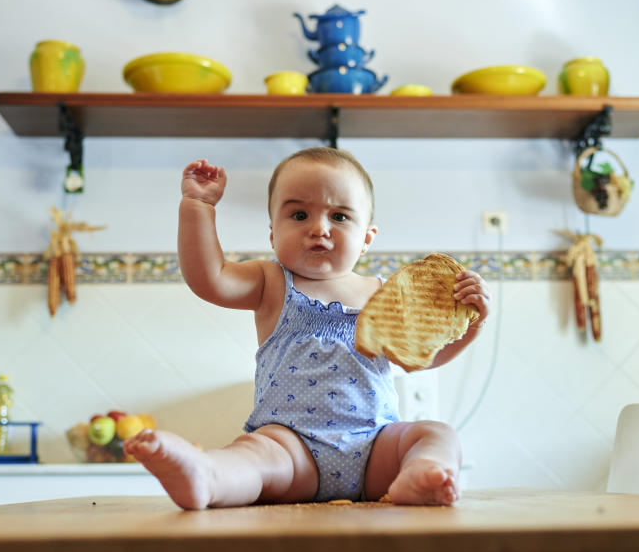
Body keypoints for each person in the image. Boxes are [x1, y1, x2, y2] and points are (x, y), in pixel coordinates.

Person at [124, 147, 490, 509]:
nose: (319, 229)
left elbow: (420, 358)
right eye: (299, 214)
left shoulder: (385, 294)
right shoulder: (271, 281)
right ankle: (207, 475)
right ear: (272, 234)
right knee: (253, 455)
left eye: (340, 217)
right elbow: (210, 279)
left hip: (375, 448)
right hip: (291, 447)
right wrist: (198, 208)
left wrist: (472, 325)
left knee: (435, 433)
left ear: (367, 238)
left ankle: (423, 473)